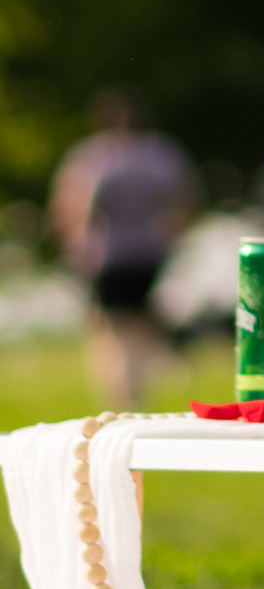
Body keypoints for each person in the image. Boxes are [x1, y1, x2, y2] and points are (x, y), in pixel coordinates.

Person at [49, 96, 198, 408]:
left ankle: (125, 400)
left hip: (107, 257)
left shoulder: (92, 157)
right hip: (150, 254)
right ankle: (144, 384)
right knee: (140, 324)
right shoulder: (161, 155)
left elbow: (71, 206)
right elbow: (186, 204)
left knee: (111, 331)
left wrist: (75, 247)